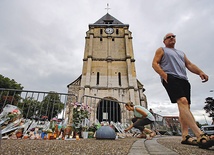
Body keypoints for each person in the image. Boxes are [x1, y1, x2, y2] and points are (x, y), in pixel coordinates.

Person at [152, 32, 213, 149]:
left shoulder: (181, 53)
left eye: (173, 36)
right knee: (182, 101)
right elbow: (154, 63)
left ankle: (185, 136)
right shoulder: (162, 50)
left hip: (184, 79)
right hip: (171, 77)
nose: (171, 38)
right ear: (164, 41)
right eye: (168, 37)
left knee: (185, 107)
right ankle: (200, 134)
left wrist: (200, 72)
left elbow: (189, 64)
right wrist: (164, 76)